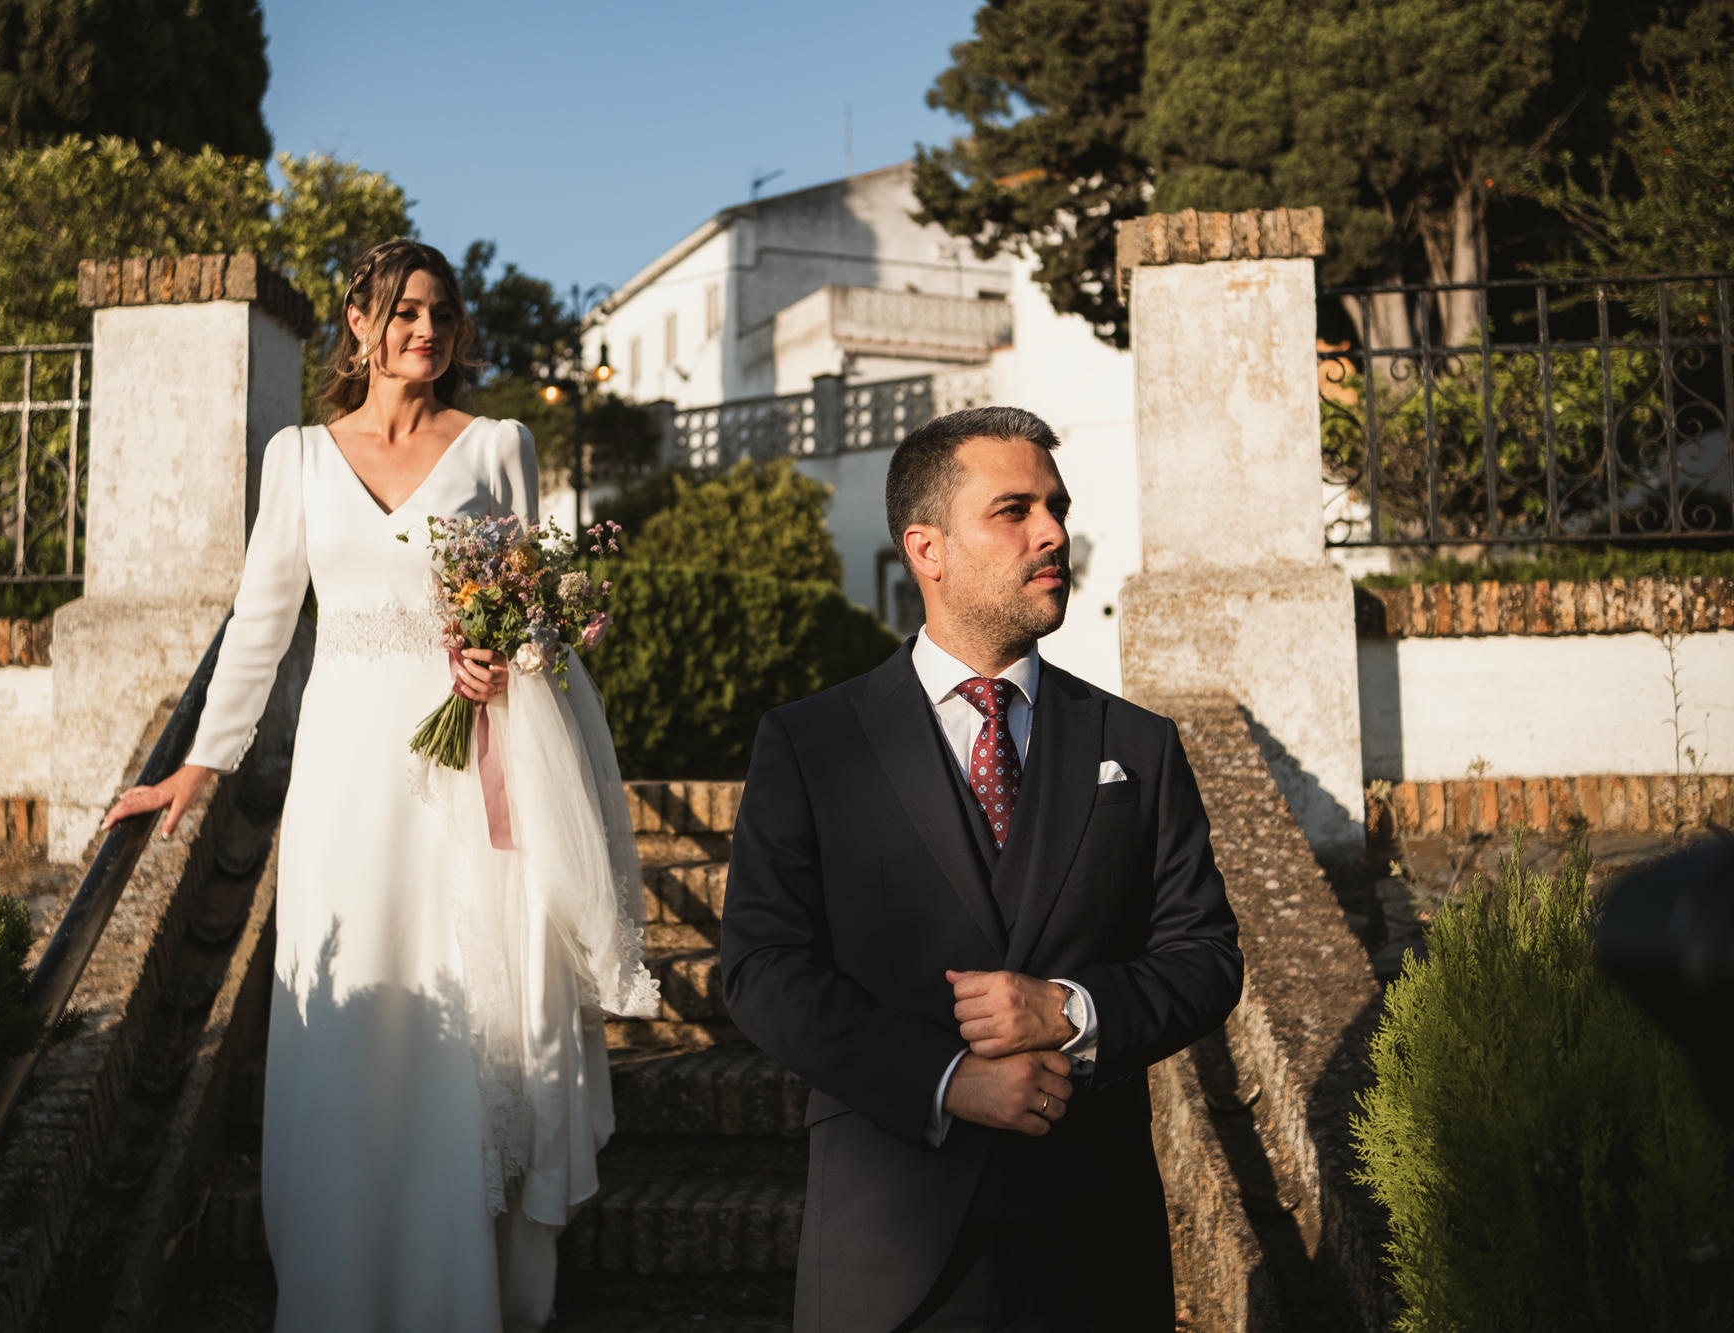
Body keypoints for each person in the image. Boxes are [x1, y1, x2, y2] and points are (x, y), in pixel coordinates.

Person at [101, 239, 657, 1332]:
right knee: (355, 1001)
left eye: (441, 313)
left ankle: (469, 1282)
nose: (424, 329)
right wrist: (200, 766)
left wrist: (512, 656)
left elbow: (541, 617)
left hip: (471, 764)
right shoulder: (298, 458)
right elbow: (259, 626)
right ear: (355, 324)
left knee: (475, 997)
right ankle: (347, 1279)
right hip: (347, 771)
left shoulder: (499, 445)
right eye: (401, 310)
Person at [720, 406, 1243, 1332]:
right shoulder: (809, 742)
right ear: (927, 547)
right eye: (1014, 510)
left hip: (1092, 1242)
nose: (1052, 532)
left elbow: (1206, 955)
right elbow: (761, 970)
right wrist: (945, 1075)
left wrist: (1074, 1010)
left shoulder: (1139, 745)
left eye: (1057, 507)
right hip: (890, 1243)